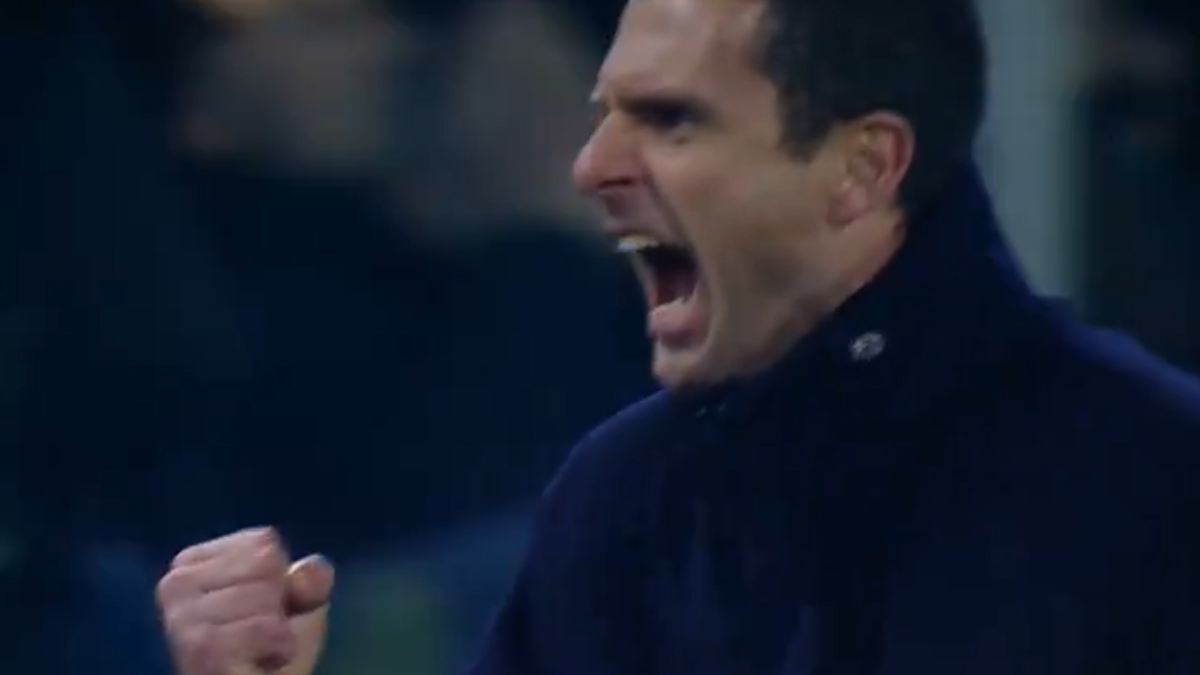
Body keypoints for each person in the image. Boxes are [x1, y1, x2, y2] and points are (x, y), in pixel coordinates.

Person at [154, 0, 1200, 673]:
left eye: (671, 119)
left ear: (862, 168)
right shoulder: (619, 499)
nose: (591, 165)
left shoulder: (1146, 475)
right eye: (609, 111)